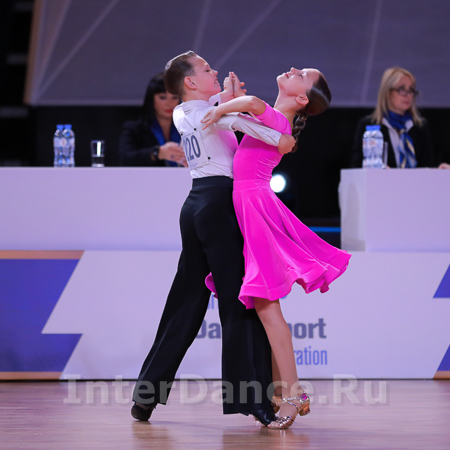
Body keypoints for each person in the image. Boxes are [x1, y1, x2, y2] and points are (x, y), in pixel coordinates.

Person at [131, 51, 295, 425]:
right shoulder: (213, 113)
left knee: (184, 303)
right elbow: (265, 133)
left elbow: (217, 109)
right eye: (207, 69)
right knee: (241, 301)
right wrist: (280, 137)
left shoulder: (182, 112)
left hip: (195, 205)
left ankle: (145, 397)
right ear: (190, 82)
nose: (215, 70)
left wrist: (226, 97)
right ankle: (254, 400)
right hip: (220, 205)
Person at [202, 68, 351, 429]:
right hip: (250, 208)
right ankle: (283, 391)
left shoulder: (278, 119)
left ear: (302, 98)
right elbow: (247, 111)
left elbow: (252, 104)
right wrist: (228, 99)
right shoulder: (274, 120)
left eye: (303, 74)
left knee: (268, 308)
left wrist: (221, 108)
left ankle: (293, 394)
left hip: (256, 209)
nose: (294, 69)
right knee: (265, 307)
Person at [351, 67, 435, 168]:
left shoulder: (420, 126)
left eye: (411, 89)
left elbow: (428, 167)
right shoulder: (369, 126)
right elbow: (356, 167)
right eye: (402, 89)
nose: (408, 95)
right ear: (387, 92)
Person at [118, 72, 187, 167]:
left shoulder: (188, 128)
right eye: (163, 97)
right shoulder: (134, 130)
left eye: (174, 98)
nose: (169, 103)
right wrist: (157, 153)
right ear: (151, 99)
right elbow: (125, 159)